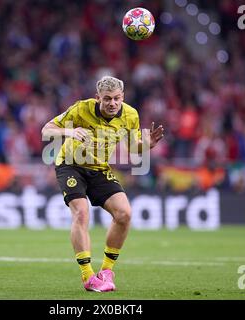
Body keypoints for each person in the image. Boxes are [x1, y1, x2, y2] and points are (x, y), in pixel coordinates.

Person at [41, 76, 164, 292]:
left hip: (99, 169)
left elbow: (133, 148)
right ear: (97, 98)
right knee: (81, 212)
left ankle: (106, 271)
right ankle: (88, 276)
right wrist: (69, 131)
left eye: (117, 98)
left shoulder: (130, 115)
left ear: (122, 97)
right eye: (107, 99)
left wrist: (147, 145)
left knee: (124, 214)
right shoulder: (81, 109)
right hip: (71, 165)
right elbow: (46, 130)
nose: (112, 103)